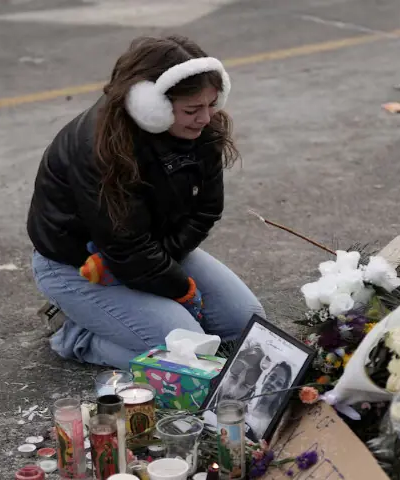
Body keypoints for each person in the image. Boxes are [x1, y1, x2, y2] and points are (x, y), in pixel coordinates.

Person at [27, 35, 265, 369]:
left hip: (151, 249)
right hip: (78, 264)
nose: (206, 118)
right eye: (192, 110)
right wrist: (180, 289)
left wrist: (166, 267)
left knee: (249, 326)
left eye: (212, 104)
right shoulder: (95, 147)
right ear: (149, 105)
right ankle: (76, 335)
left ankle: (132, 318)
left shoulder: (202, 129)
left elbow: (206, 211)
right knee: (192, 356)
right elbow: (125, 248)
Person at [246, 361, 292, 440]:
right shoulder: (245, 402)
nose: (272, 384)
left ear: (281, 392)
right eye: (272, 377)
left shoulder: (269, 424)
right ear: (265, 378)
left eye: (279, 384)